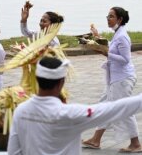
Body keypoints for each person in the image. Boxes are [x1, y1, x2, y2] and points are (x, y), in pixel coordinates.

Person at [8, 56, 142, 155]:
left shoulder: (21, 111)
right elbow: (116, 109)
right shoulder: (70, 114)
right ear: (61, 83)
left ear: (37, 79)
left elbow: (14, 151)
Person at [82, 7, 141, 152]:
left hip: (122, 79)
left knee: (124, 110)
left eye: (111, 16)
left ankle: (136, 144)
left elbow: (125, 59)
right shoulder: (117, 34)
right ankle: (96, 140)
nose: (108, 18)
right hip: (114, 79)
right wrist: (98, 38)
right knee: (105, 106)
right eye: (107, 16)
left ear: (120, 19)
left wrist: (106, 53)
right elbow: (111, 48)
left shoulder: (122, 36)